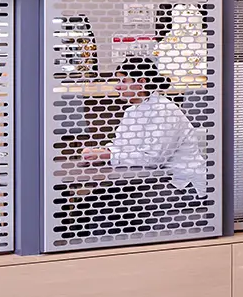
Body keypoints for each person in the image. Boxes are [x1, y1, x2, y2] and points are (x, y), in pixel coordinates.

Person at [84, 56, 208, 198]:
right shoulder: (131, 111)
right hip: (151, 179)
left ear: (141, 82)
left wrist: (109, 155)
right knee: (95, 198)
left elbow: (153, 160)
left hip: (182, 186)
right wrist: (102, 151)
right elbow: (122, 145)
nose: (117, 87)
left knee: (107, 202)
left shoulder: (164, 111)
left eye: (123, 81)